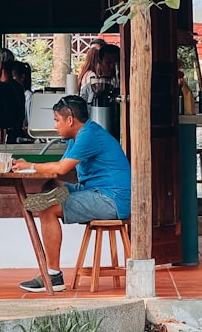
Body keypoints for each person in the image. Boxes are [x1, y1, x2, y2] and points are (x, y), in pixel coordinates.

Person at [11, 94, 130, 292]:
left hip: (111, 199)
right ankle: (38, 209)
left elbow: (61, 168)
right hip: (93, 191)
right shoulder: (76, 138)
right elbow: (56, 172)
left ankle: (53, 276)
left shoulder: (89, 135)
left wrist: (29, 165)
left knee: (48, 207)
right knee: (50, 187)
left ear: (70, 120)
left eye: (57, 120)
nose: (55, 125)